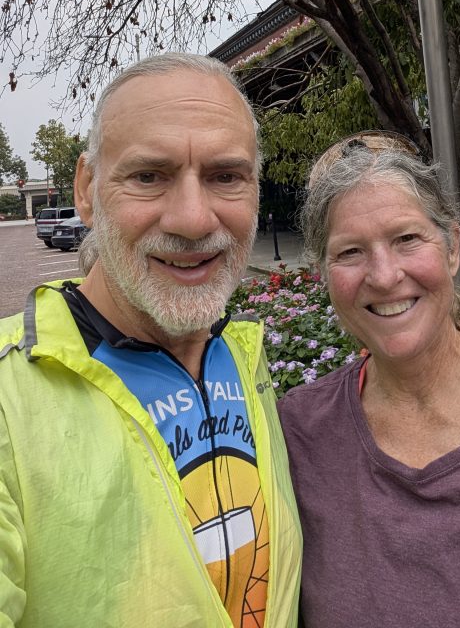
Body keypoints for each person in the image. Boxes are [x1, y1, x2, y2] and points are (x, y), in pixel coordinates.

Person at [0, 54, 301, 628]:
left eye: (225, 176)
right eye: (149, 176)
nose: (193, 219)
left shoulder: (242, 356)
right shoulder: (8, 399)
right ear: (87, 189)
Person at [278, 131, 460, 628]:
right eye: (350, 252)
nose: (384, 275)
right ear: (323, 274)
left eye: (407, 239)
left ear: (452, 247)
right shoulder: (298, 434)